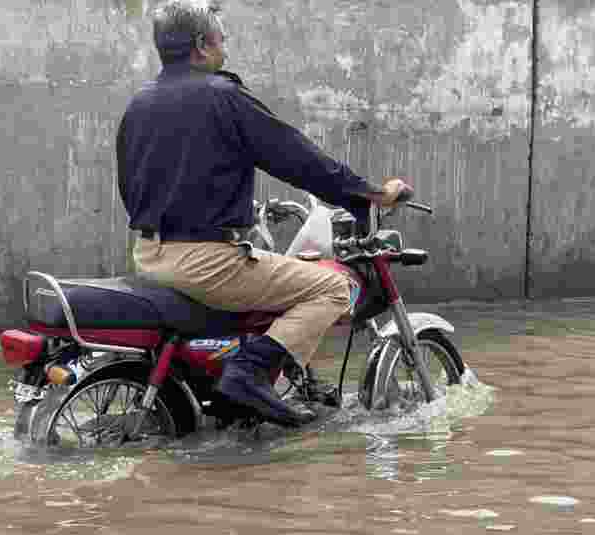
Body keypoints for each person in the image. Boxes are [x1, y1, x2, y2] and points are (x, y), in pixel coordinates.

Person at [116, 0, 412, 427]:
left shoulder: (138, 104)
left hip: (149, 256)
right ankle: (250, 372)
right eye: (222, 40)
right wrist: (368, 195)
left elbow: (134, 187)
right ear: (201, 46)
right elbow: (297, 158)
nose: (226, 49)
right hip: (206, 264)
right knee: (332, 287)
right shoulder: (223, 97)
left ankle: (229, 397)